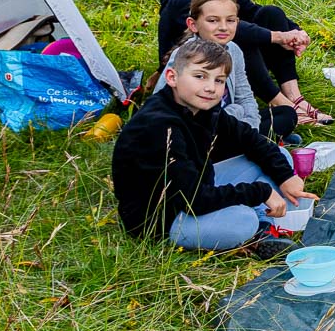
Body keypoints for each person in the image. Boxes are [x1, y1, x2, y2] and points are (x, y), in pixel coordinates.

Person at [112, 37, 319, 257]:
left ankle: (263, 228)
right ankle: (255, 229)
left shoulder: (202, 107)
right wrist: (261, 191)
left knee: (280, 157)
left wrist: (286, 176)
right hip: (165, 217)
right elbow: (194, 200)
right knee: (243, 221)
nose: (210, 88)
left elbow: (249, 138)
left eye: (219, 80)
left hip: (199, 185)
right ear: (172, 77)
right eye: (200, 76)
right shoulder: (157, 126)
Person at [158, 0, 327, 132]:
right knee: (236, 37)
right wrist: (278, 37)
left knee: (270, 13)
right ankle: (283, 105)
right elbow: (239, 30)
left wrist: (295, 33)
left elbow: (255, 12)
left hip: (228, 71)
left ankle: (293, 96)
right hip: (201, 76)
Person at [153, 0, 262, 132]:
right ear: (193, 24)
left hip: (230, 121)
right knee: (236, 110)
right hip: (194, 126)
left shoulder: (234, 50)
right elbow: (160, 101)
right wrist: (237, 113)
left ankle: (258, 136)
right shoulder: (185, 54)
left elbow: (245, 96)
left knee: (285, 114)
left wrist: (251, 129)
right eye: (213, 20)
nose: (223, 27)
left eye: (230, 20)